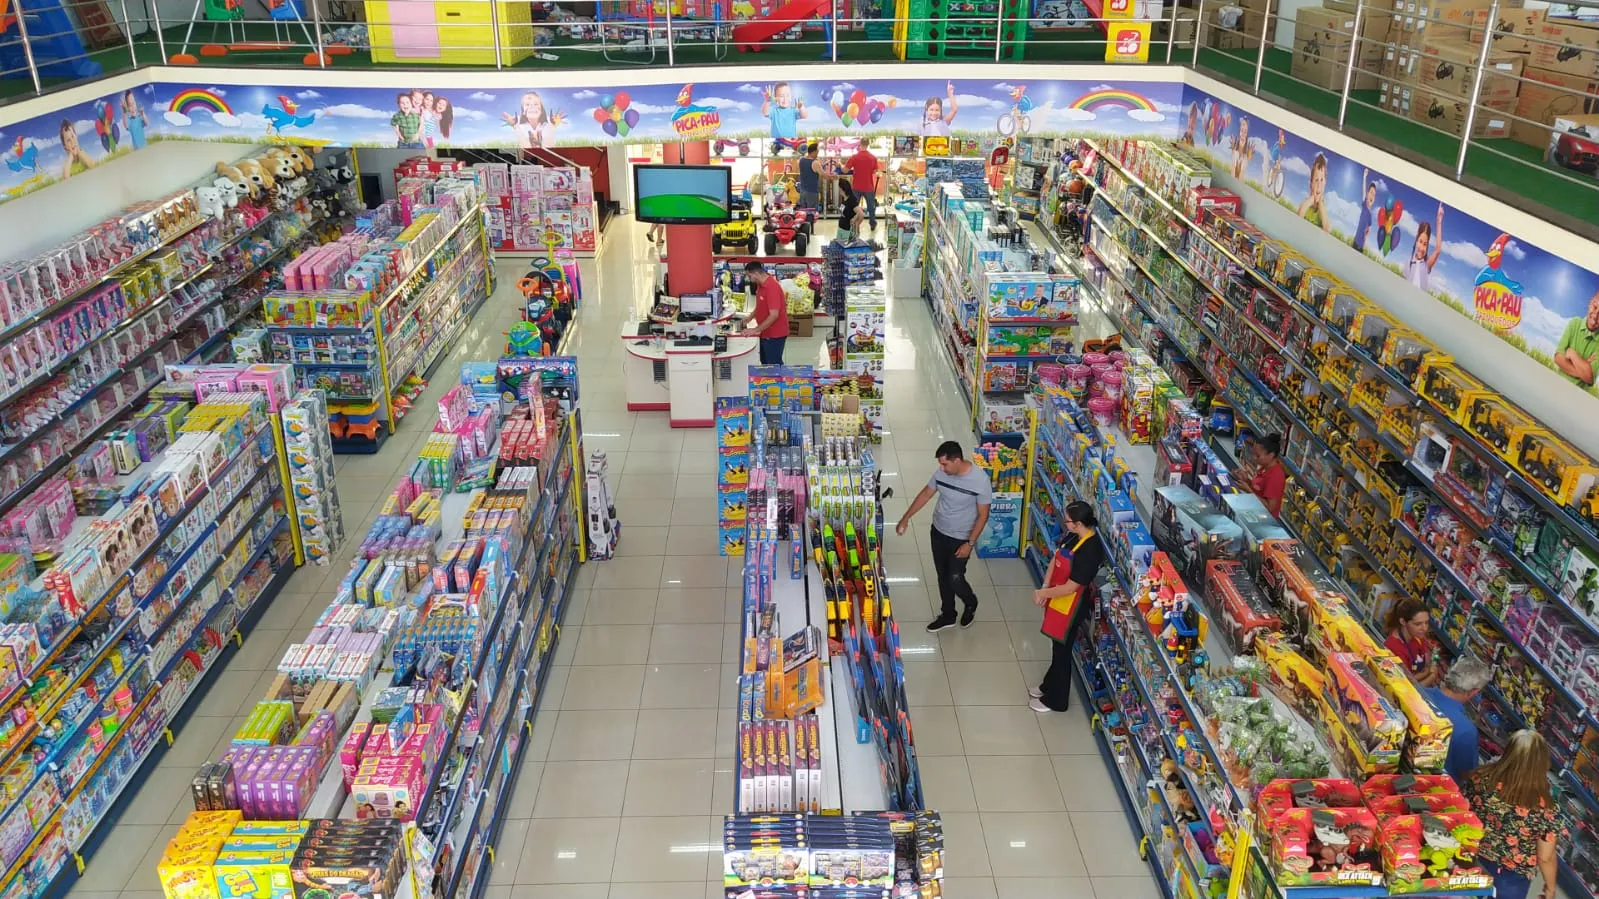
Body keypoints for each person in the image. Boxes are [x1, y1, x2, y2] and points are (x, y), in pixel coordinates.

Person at [896, 441, 993, 632]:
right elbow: (926, 494)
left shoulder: (980, 481)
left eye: (945, 464)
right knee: (942, 576)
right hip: (939, 531)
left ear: (957, 460)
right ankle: (948, 614)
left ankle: (970, 602)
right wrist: (905, 518)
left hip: (961, 538)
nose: (941, 468)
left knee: (954, 577)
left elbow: (983, 515)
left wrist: (970, 543)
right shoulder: (942, 474)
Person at [1462, 729, 1564, 899]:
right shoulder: (1545, 809)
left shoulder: (1480, 778)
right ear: (1542, 762)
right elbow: (1546, 857)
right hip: (1511, 877)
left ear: (1508, 752)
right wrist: (1550, 888)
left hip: (1472, 855)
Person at [1029, 501, 1105, 713]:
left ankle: (1057, 700)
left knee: (1062, 652)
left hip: (1071, 607)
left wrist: (1042, 593)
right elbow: (1056, 558)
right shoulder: (1074, 536)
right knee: (1056, 648)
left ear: (1078, 523)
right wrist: (1045, 585)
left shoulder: (1090, 550)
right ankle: (1048, 685)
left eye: (1068, 520)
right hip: (1057, 598)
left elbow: (1071, 587)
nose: (1065, 522)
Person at [1422, 656, 1490, 781]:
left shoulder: (1419, 692)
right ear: (1474, 692)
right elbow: (1467, 774)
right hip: (1437, 787)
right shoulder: (1466, 731)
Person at [1383, 598, 1441, 687]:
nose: (1424, 628)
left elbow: (1426, 656)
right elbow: (1409, 684)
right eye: (1418, 624)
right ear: (1403, 621)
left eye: (1426, 623)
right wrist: (1432, 675)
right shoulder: (1394, 650)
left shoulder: (1417, 635)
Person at [740, 260, 789, 364]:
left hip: (775, 335)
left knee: (774, 364)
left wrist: (755, 330)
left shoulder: (772, 288)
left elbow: (774, 315)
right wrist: (750, 317)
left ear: (756, 274)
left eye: (749, 276)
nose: (749, 279)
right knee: (765, 362)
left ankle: (778, 380)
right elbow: (760, 305)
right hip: (765, 332)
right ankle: (769, 380)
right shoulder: (760, 284)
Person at [1554, 290, 1599, 391]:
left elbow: (1589, 378)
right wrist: (1583, 368)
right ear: (1590, 303)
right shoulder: (1574, 323)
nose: (1595, 316)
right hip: (1556, 385)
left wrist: (1572, 354)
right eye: (1595, 307)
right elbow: (1558, 358)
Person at [1238, 433, 1287, 516]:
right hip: (1254, 510)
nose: (1254, 458)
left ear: (1271, 455)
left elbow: (1270, 507)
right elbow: (1259, 490)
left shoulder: (1275, 477)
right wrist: (1246, 481)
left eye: (1258, 455)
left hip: (1263, 518)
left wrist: (1249, 490)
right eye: (1253, 454)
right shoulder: (1265, 467)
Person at [1405, 203, 1443, 292]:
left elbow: (1438, 250)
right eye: (1420, 242)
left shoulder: (1427, 264)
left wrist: (1439, 222)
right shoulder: (1408, 262)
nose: (1421, 248)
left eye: (1425, 244)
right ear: (1416, 240)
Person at [846, 142, 880, 229]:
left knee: (854, 207)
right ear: (868, 145)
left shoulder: (854, 157)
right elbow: (875, 171)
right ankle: (872, 224)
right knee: (871, 207)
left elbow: (845, 170)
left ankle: (852, 223)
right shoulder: (873, 158)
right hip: (868, 186)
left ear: (860, 145)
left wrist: (840, 165)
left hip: (856, 186)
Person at [1297, 153, 1330, 233]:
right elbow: (1297, 220)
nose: (1319, 184)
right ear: (1311, 184)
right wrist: (1310, 200)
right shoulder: (1306, 203)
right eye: (1316, 180)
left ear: (1325, 183)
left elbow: (1327, 229)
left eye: (1322, 180)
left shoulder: (1322, 209)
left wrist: (1320, 204)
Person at [1353, 168, 1376, 252]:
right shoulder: (1364, 206)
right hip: (1355, 243)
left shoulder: (1370, 216)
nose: (1372, 196)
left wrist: (1364, 244)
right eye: (1371, 193)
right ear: (1367, 194)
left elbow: (1367, 232)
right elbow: (1363, 190)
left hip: (1361, 247)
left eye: (1374, 195)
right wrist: (1364, 177)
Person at [797, 142, 823, 210]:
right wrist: (833, 176)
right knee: (812, 214)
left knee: (803, 213)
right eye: (817, 152)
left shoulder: (801, 160)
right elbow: (823, 175)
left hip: (803, 191)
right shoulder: (815, 163)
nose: (817, 154)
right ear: (814, 152)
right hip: (812, 191)